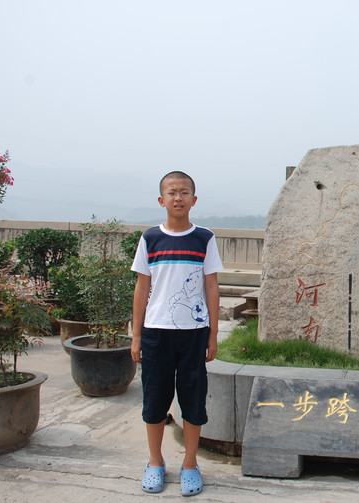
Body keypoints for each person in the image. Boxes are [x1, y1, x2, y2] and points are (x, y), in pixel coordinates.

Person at [131, 171, 223, 496]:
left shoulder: (204, 239)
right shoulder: (150, 238)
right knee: (154, 399)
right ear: (162, 200)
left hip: (194, 333)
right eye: (172, 192)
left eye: (184, 192)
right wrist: (137, 335)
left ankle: (190, 464)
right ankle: (155, 461)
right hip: (156, 332)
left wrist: (212, 333)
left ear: (194, 200)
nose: (178, 198)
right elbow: (142, 288)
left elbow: (211, 286)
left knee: (193, 400)